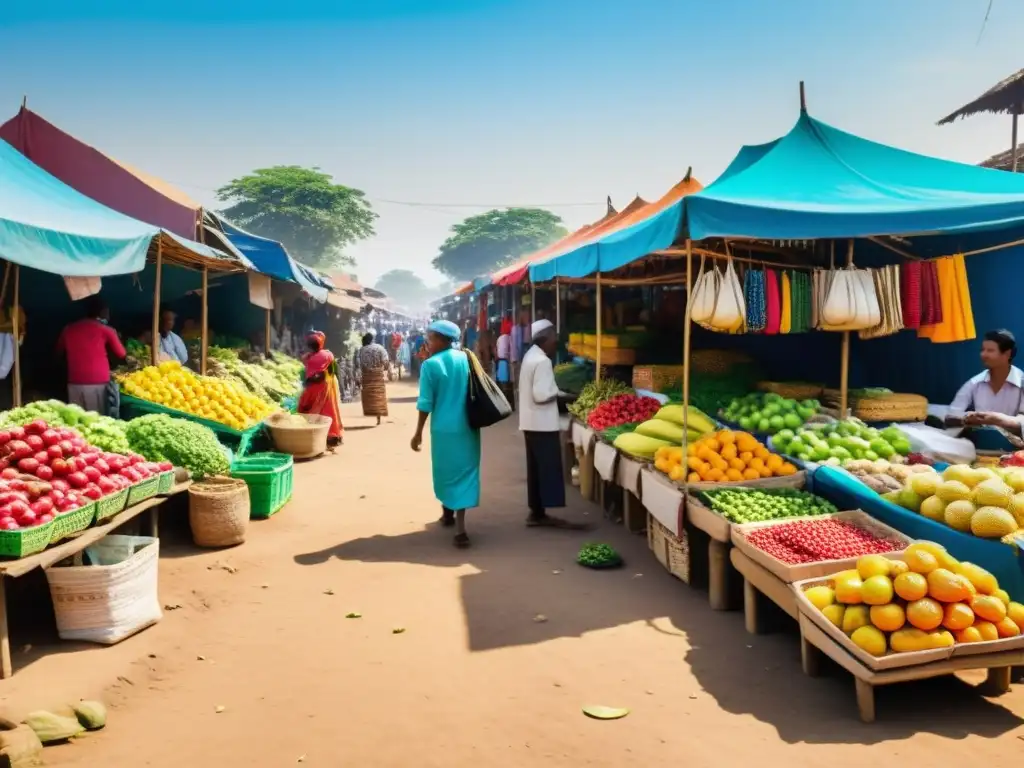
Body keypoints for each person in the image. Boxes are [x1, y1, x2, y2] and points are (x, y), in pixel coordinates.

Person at [411, 319, 480, 548]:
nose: (427, 343)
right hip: (468, 427)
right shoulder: (467, 359)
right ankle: (454, 520)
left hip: (443, 430)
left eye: (430, 339)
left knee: (447, 473)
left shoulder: (430, 365)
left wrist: (418, 432)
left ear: (441, 339)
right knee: (465, 472)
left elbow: (425, 403)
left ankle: (456, 525)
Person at [518, 319, 573, 528]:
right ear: (545, 338)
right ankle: (540, 514)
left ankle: (536, 512)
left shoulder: (530, 356)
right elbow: (541, 395)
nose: (555, 342)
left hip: (530, 422)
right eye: (553, 337)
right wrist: (561, 394)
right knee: (546, 469)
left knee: (535, 470)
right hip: (542, 423)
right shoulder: (542, 361)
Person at [946, 329, 1024, 436]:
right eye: (982, 350)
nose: (983, 355)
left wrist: (999, 420)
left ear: (1007, 354)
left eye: (990, 351)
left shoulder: (1022, 382)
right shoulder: (975, 382)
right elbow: (950, 417)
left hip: (1016, 447)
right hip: (981, 446)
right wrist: (966, 419)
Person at [56, 296, 126, 413]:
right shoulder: (107, 330)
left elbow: (58, 352)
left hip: (74, 382)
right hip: (98, 382)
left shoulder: (68, 329)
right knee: (97, 420)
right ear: (103, 312)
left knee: (78, 420)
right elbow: (121, 353)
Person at [298, 331, 344, 448]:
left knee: (307, 409)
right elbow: (333, 371)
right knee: (329, 409)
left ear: (309, 346)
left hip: (313, 387)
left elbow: (304, 364)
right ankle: (333, 435)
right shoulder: (328, 355)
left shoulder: (308, 358)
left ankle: (311, 435)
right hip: (326, 385)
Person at [357, 332, 390, 425]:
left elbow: (358, 365)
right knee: (378, 396)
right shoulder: (379, 348)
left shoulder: (361, 350)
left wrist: (358, 378)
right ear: (372, 339)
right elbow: (386, 361)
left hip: (366, 376)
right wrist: (385, 370)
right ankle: (378, 417)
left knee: (371, 396)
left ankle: (374, 414)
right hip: (378, 375)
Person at [495, 318, 515, 409]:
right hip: (505, 362)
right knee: (508, 384)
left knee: (500, 382)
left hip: (499, 362)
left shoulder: (499, 338)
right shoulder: (509, 338)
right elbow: (512, 352)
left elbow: (497, 349)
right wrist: (513, 361)